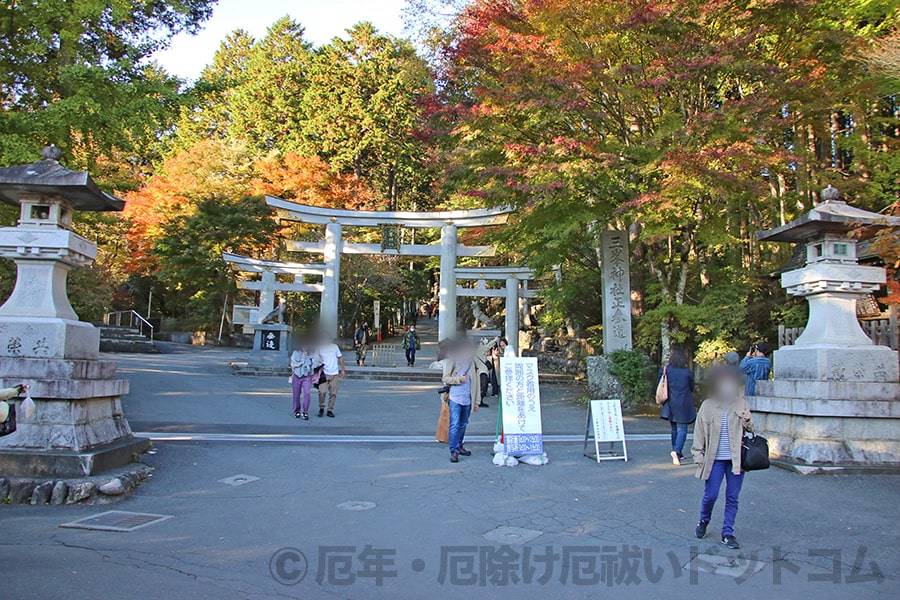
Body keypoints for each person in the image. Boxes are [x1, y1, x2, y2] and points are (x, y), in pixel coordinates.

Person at [691, 365, 755, 550]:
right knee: (710, 495)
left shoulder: (741, 403)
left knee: (732, 496)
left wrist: (748, 419)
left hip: (736, 460)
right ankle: (704, 520)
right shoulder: (708, 406)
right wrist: (698, 454)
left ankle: (728, 533)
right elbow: (699, 432)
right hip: (714, 459)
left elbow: (751, 430)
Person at [441, 337, 491, 462]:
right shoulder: (452, 362)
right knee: (455, 424)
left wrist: (477, 401)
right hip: (455, 398)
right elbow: (445, 378)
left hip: (467, 399)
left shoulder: (473, 363)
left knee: (463, 424)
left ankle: (459, 446)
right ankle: (454, 451)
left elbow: (477, 382)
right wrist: (458, 380)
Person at [658, 348, 696, 466]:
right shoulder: (687, 372)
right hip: (684, 403)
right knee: (682, 429)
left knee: (674, 428)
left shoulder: (665, 370)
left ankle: (677, 451)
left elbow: (659, 384)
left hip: (670, 403)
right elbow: (692, 387)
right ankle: (676, 450)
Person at [317, 331, 346, 417]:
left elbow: (340, 358)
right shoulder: (319, 348)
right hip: (323, 373)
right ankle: (321, 407)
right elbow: (316, 360)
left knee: (333, 393)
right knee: (322, 392)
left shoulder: (334, 347)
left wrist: (343, 370)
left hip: (334, 373)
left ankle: (330, 409)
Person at [289, 341, 319, 420]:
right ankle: (296, 410)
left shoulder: (310, 354)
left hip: (306, 376)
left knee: (307, 393)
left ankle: (305, 411)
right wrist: (303, 356)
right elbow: (295, 364)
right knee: (296, 394)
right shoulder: (295, 353)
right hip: (297, 375)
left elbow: (315, 363)